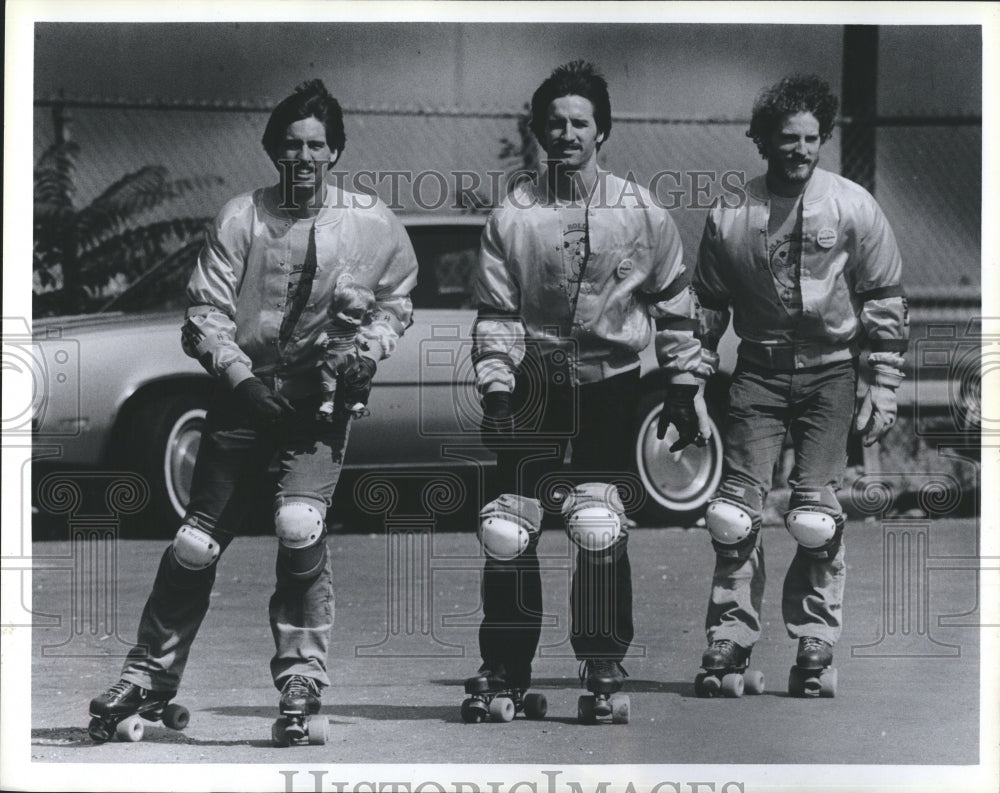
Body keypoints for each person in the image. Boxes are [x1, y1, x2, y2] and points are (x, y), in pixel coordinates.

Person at [88, 79, 418, 742]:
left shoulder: (370, 222)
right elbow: (205, 313)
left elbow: (397, 299)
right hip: (243, 400)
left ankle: (302, 674)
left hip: (317, 408)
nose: (303, 157)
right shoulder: (241, 217)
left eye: (317, 145)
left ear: (336, 152)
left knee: (299, 525)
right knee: (195, 541)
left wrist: (366, 353)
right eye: (291, 144)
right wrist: (242, 382)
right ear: (273, 150)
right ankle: (149, 671)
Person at [462, 60, 712, 722]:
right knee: (509, 529)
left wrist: (685, 389)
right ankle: (507, 667)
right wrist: (496, 387)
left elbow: (675, 305)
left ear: (603, 130)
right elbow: (496, 312)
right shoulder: (514, 216)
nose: (566, 133)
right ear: (539, 132)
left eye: (580, 122)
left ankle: (603, 660)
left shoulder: (640, 212)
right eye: (555, 123)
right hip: (535, 382)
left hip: (609, 384)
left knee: (599, 525)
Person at [691, 74, 908, 694]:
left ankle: (815, 635)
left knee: (814, 512)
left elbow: (882, 298)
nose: (801, 149)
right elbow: (708, 304)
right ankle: (729, 636)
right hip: (758, 371)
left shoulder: (853, 205)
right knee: (734, 512)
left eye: (813, 138)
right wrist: (689, 377)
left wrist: (883, 383)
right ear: (764, 141)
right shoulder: (732, 212)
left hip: (830, 373)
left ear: (824, 140)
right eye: (788, 138)